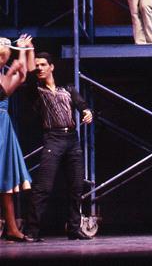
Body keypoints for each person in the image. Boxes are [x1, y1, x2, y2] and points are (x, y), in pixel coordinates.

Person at [24, 52, 94, 241]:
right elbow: (29, 75)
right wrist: (28, 50)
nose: (39, 68)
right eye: (37, 65)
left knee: (76, 187)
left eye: (43, 64)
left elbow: (81, 103)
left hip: (71, 138)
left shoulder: (67, 88)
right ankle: (32, 230)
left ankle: (73, 228)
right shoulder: (37, 90)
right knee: (44, 187)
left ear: (51, 67)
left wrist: (87, 112)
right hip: (52, 138)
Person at [0, 35, 34, 242]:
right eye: (2, 57)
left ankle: (12, 228)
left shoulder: (4, 71)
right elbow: (2, 89)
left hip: (3, 124)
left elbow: (19, 79)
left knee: (5, 179)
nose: (4, 60)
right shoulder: (4, 72)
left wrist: (24, 50)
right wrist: (13, 70)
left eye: (5, 57)